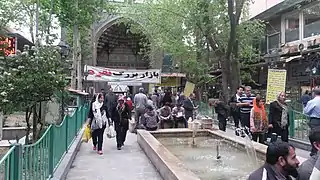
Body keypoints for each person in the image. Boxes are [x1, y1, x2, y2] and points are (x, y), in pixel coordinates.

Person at [304, 88, 320, 156]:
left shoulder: (312, 101)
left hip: (315, 120)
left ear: (314, 93)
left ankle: (314, 151)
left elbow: (306, 111)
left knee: (315, 136)